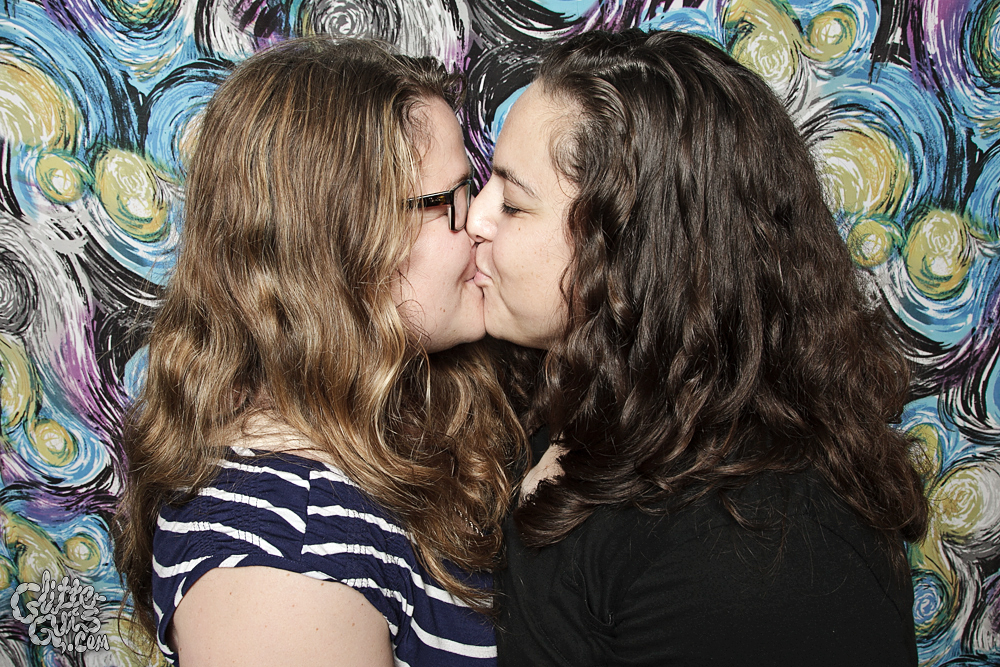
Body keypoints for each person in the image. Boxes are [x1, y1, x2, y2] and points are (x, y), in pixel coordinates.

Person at [467, 29, 929, 665]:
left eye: (514, 204)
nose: (475, 218)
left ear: (634, 252)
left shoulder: (760, 551)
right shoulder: (568, 396)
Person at [113, 37, 522, 667]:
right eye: (451, 198)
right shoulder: (280, 578)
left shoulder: (404, 408)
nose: (478, 223)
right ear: (346, 244)